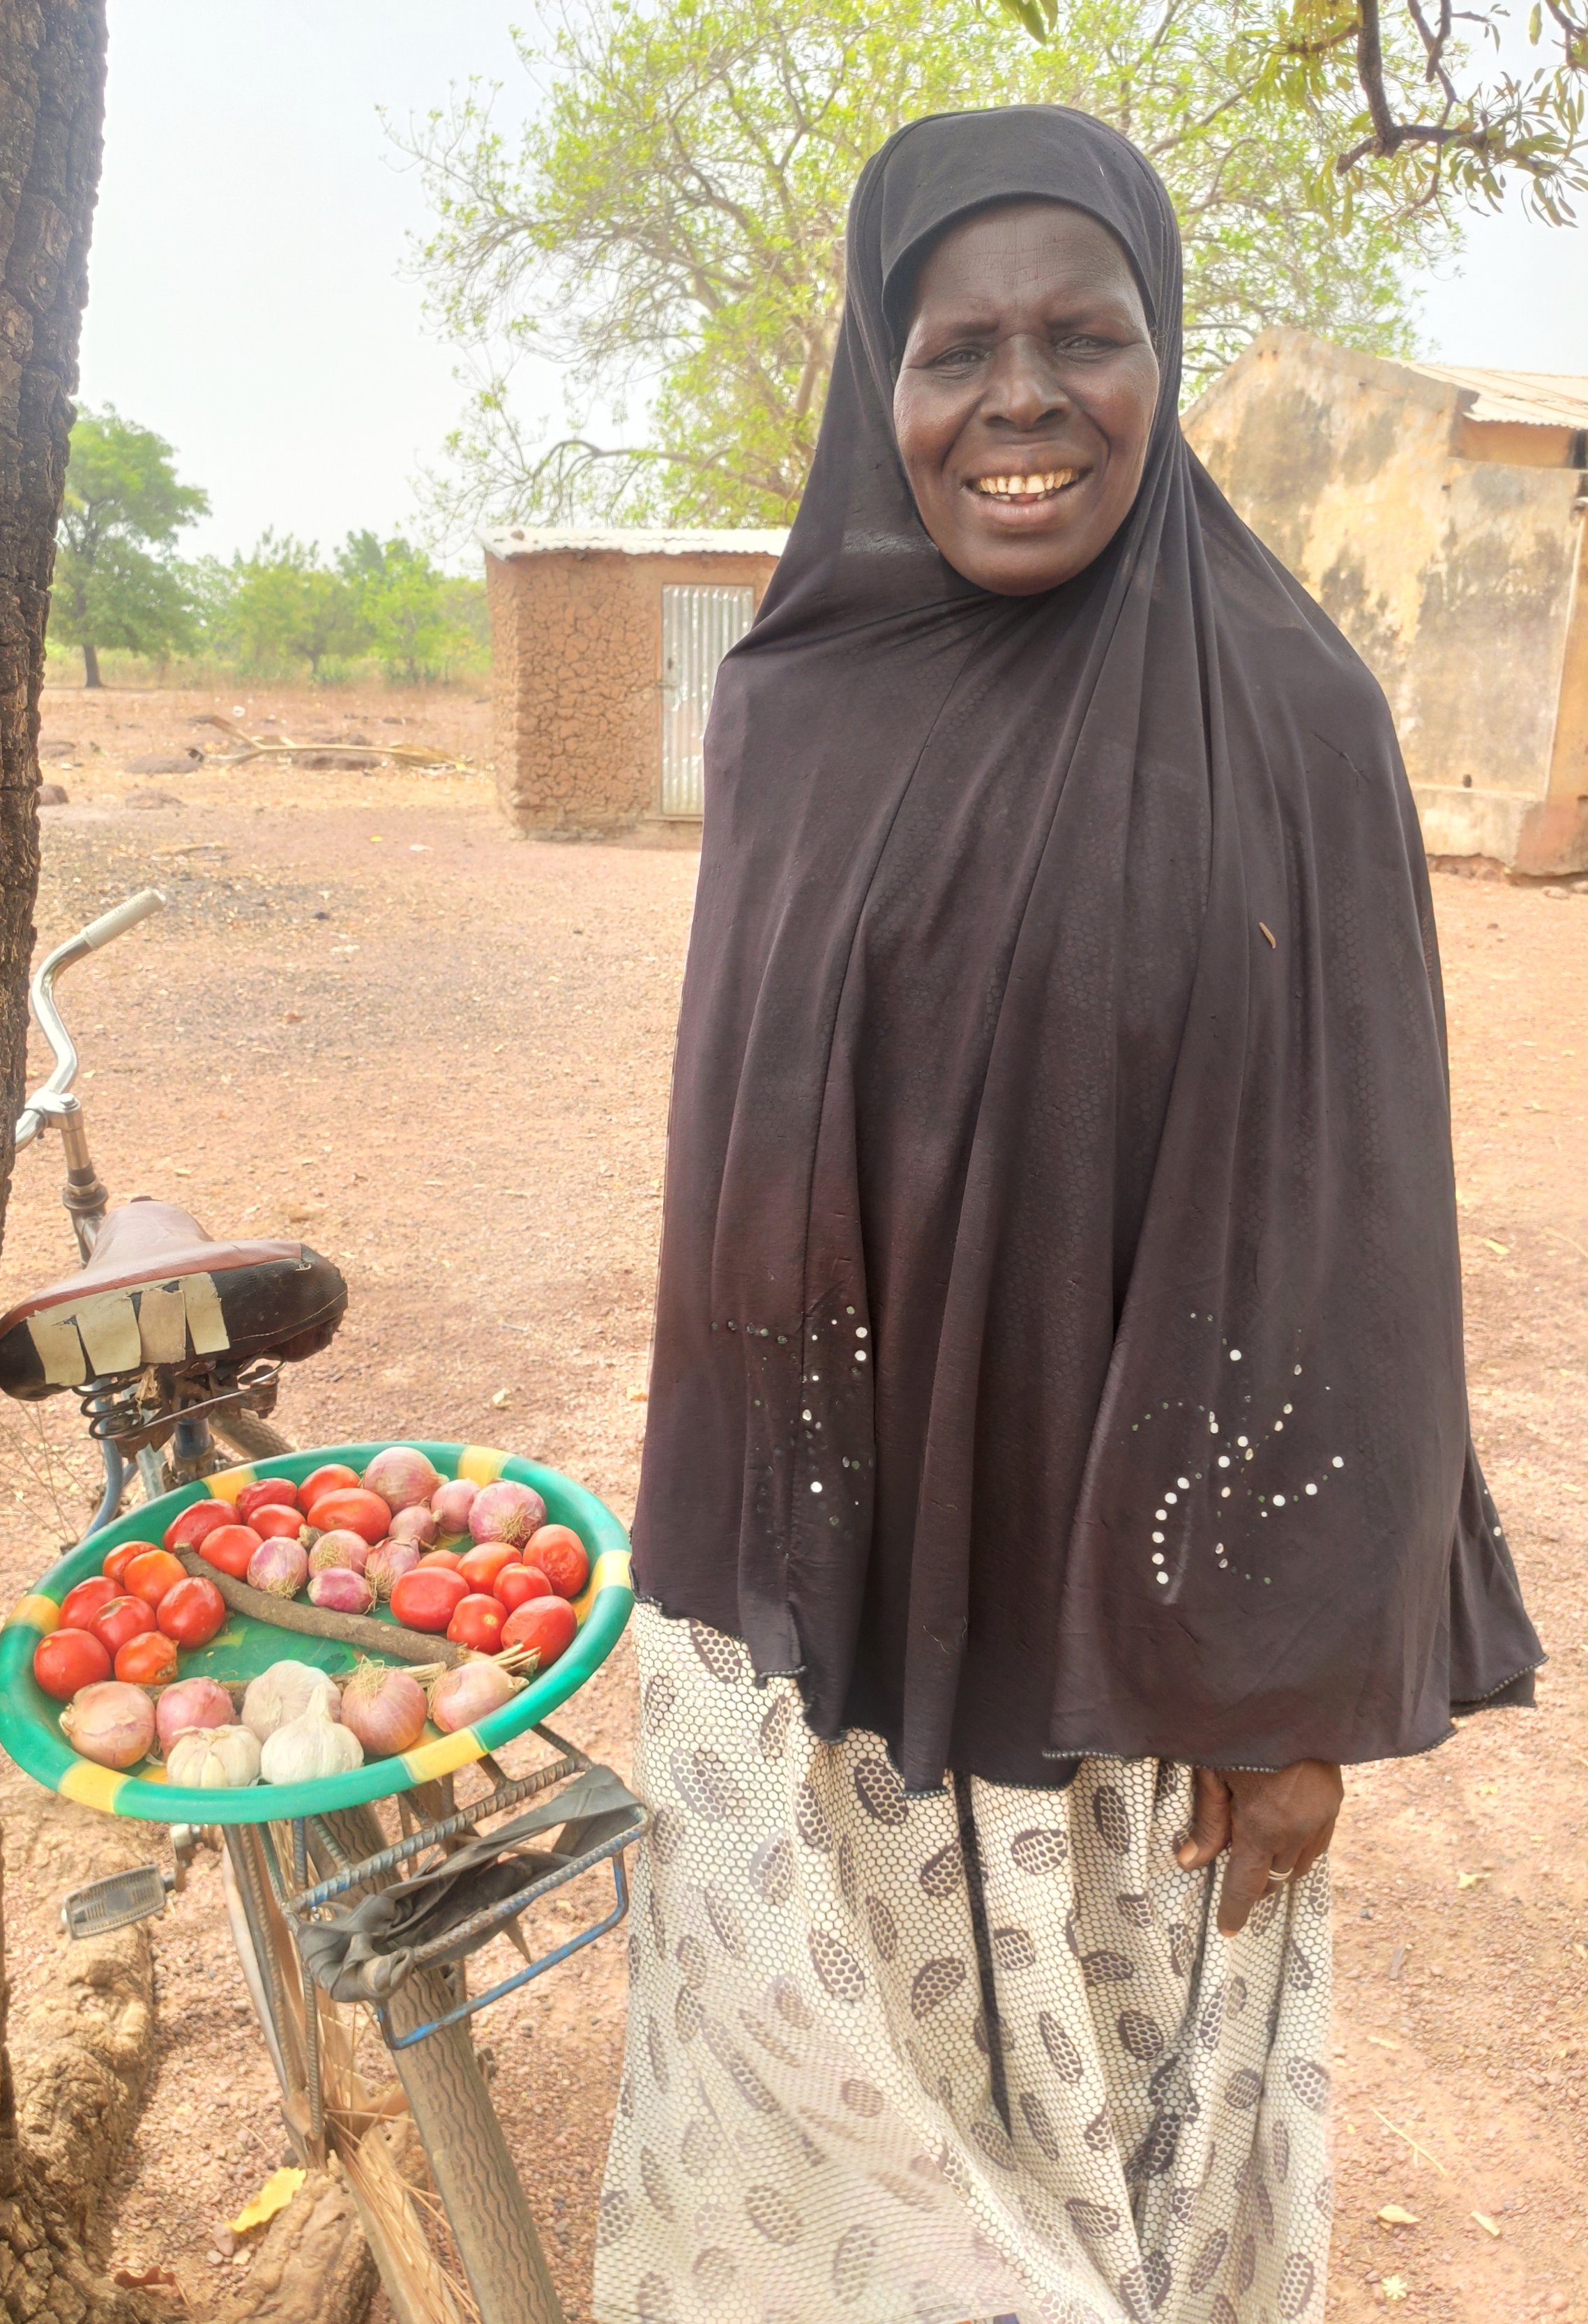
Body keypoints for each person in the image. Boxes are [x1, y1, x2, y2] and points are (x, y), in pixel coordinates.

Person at [595, 105, 1541, 2324]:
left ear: (1160, 357)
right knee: (808, 2199)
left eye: (1081, 338)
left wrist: (1287, 1685)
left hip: (1122, 1698)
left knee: (1105, 2205)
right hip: (798, 1651)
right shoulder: (793, 709)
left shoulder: (1283, 719)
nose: (1017, 400)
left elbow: (1352, 1224)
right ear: (877, 380)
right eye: (955, 349)